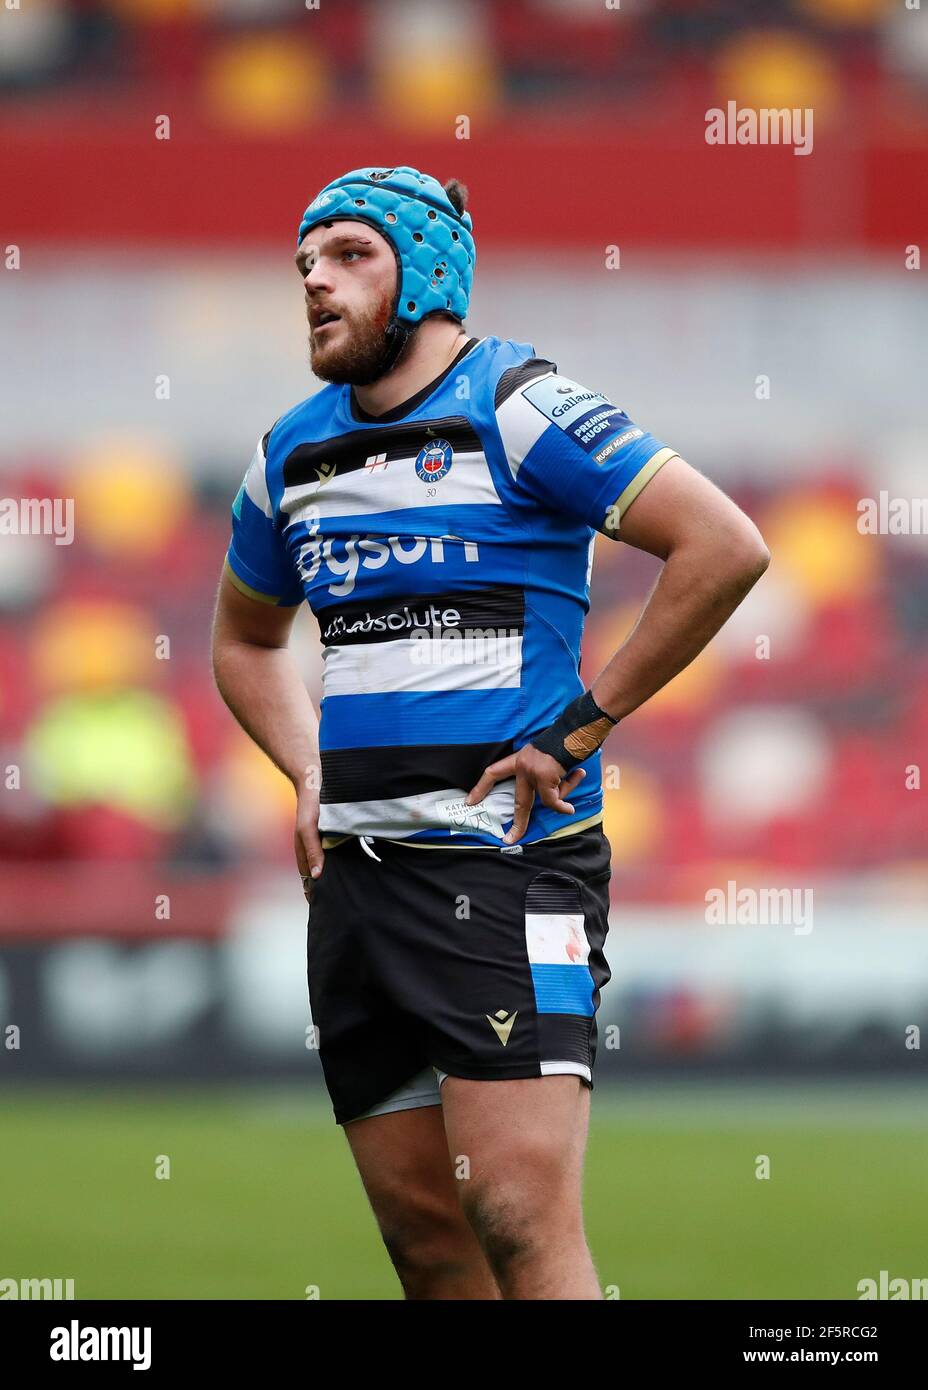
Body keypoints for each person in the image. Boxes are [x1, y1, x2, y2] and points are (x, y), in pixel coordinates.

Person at [211, 165, 769, 1300]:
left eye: (349, 255)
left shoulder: (518, 403)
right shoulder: (288, 453)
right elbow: (245, 640)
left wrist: (579, 729)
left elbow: (723, 545)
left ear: (425, 275)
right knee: (429, 1245)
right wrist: (306, 767)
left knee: (515, 1216)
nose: (314, 280)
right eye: (304, 263)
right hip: (356, 889)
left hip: (508, 872)